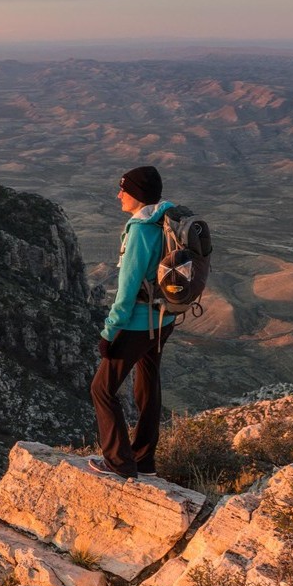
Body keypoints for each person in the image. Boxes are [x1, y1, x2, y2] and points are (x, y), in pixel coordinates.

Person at [87, 165, 175, 479]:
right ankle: (145, 460)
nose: (118, 195)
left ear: (138, 194)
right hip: (164, 318)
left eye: (123, 190)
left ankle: (119, 462)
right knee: (147, 385)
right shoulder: (166, 220)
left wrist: (109, 332)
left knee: (102, 389)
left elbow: (126, 291)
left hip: (139, 323)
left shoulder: (140, 230)